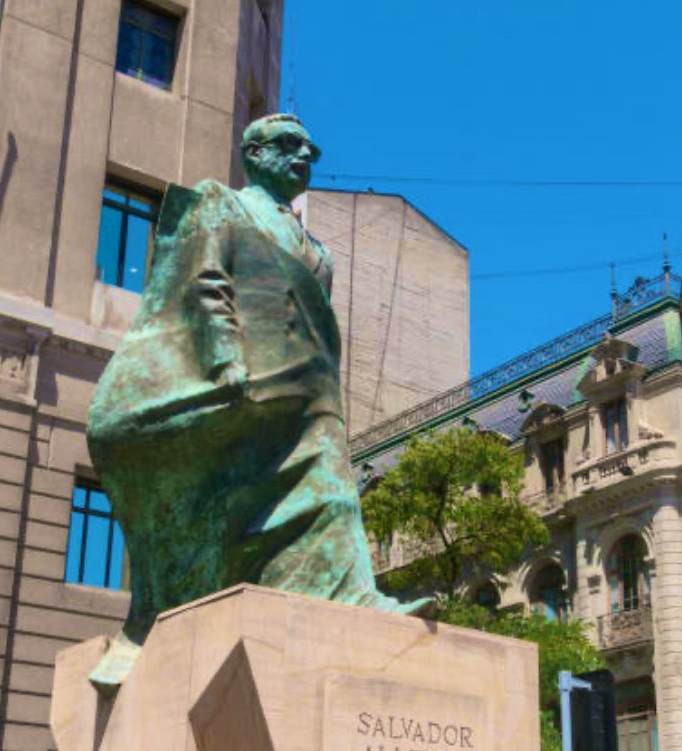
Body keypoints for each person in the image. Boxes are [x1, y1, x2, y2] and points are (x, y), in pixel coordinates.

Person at [86, 114, 427, 691]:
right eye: (289, 146)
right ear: (254, 153)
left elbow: (318, 328)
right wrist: (225, 359)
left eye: (310, 150)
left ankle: (354, 595)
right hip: (242, 379)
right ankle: (168, 607)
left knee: (334, 491)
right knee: (228, 503)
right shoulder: (224, 205)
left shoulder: (320, 252)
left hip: (307, 391)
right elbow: (206, 282)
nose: (304, 158)